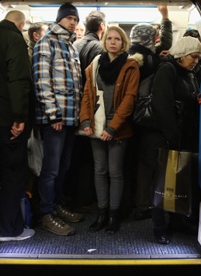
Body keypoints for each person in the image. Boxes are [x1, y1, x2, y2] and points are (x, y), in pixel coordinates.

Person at [79, 25, 140, 234]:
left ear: (124, 43)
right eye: (109, 38)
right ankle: (102, 213)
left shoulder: (130, 65)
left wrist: (112, 128)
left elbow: (129, 100)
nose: (113, 42)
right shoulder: (95, 64)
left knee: (115, 172)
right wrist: (86, 121)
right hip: (96, 124)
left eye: (117, 39)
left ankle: (114, 215)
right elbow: (87, 94)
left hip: (118, 128)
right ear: (104, 41)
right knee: (99, 170)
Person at [32, 2, 83, 236]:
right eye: (69, 18)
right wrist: (53, 114)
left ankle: (57, 205)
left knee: (64, 167)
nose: (73, 22)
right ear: (59, 18)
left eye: (76, 19)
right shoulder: (46, 43)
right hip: (56, 118)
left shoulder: (71, 47)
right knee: (50, 169)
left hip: (72, 118)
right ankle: (46, 213)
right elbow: (42, 82)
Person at [0, 10, 35, 242]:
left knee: (4, 173)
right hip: (9, 119)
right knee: (15, 172)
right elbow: (18, 80)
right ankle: (9, 229)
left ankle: (2, 224)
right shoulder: (14, 39)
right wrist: (19, 116)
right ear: (21, 25)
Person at [149, 36, 201, 244]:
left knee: (178, 183)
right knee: (161, 184)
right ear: (181, 54)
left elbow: (188, 101)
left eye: (198, 57)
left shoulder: (188, 74)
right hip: (166, 138)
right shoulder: (167, 70)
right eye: (193, 56)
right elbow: (162, 106)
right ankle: (159, 227)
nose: (196, 61)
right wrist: (173, 139)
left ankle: (176, 222)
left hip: (182, 138)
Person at [128, 5, 173, 221]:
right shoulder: (153, 60)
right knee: (145, 164)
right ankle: (143, 205)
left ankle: (129, 203)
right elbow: (165, 44)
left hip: (126, 117)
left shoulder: (125, 56)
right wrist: (165, 17)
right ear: (149, 39)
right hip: (144, 119)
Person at [66, 10, 106, 213]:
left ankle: (74, 199)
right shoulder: (98, 47)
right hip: (89, 108)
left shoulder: (75, 44)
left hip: (73, 108)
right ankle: (85, 199)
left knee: (75, 158)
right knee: (89, 160)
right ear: (101, 27)